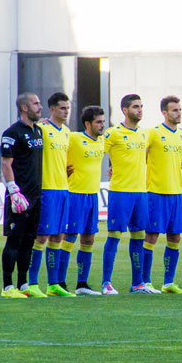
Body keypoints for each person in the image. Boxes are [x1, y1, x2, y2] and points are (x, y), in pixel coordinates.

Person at [102, 94, 155, 294]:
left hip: (140, 193)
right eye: (135, 106)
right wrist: (110, 166)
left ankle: (137, 283)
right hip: (120, 192)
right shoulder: (113, 133)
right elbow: (98, 151)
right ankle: (106, 283)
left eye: (141, 106)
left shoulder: (144, 134)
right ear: (125, 110)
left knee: (139, 237)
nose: (140, 110)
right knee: (114, 236)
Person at [27, 92, 74, 297]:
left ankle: (54, 284)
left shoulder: (66, 132)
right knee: (41, 236)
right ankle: (32, 283)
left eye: (68, 108)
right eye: (62, 108)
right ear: (52, 109)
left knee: (58, 235)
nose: (66, 111)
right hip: (46, 189)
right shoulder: (42, 129)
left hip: (63, 189)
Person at [0, 92, 44, 298]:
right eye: (35, 104)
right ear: (24, 108)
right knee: (14, 240)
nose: (40, 107)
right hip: (20, 196)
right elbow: (5, 163)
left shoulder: (38, 132)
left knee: (29, 240)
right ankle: (8, 287)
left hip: (36, 195)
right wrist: (13, 190)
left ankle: (23, 284)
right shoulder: (12, 133)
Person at [59, 106, 106, 295]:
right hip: (75, 194)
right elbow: (55, 149)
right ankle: (59, 282)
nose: (102, 125)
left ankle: (82, 284)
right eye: (99, 122)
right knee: (69, 237)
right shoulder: (74, 137)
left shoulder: (103, 141)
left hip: (92, 195)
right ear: (87, 124)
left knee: (89, 238)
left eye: (103, 121)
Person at [143, 96, 182, 294]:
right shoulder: (153, 133)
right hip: (156, 192)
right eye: (174, 110)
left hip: (176, 193)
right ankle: (145, 281)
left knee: (175, 237)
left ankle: (168, 282)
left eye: (179, 109)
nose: (178, 113)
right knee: (151, 236)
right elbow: (140, 155)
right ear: (164, 113)